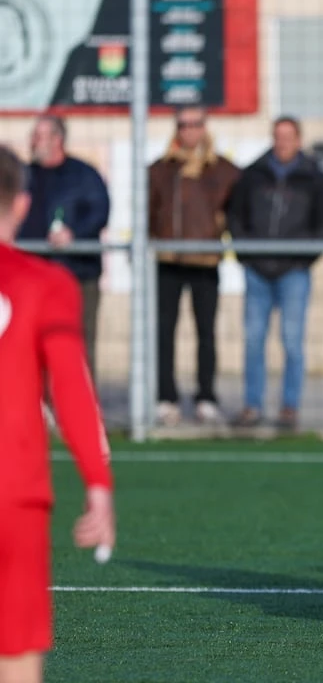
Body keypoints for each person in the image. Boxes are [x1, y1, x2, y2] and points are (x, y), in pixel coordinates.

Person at [0, 143, 116, 683]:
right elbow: (70, 389)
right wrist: (97, 483)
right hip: (14, 491)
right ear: (23, 204)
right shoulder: (47, 284)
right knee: (17, 655)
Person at [226, 116, 323, 432]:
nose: (283, 142)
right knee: (253, 340)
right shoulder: (252, 174)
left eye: (288, 137)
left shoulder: (314, 177)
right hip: (257, 271)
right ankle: (252, 405)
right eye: (278, 136)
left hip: (294, 273)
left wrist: (302, 260)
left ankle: (289, 407)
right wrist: (247, 254)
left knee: (292, 341)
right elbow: (235, 218)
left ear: (298, 140)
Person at [148, 105, 240, 426]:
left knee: (206, 332)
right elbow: (149, 215)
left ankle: (206, 396)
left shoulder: (224, 170)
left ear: (205, 127)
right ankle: (165, 396)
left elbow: (235, 215)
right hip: (168, 261)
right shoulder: (160, 170)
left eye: (195, 124)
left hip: (205, 261)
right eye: (183, 125)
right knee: (164, 331)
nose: (189, 130)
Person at [16, 114, 111, 379]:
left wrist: (74, 234)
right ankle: (39, 408)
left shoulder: (83, 175)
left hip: (77, 274)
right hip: (34, 276)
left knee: (77, 343)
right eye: (33, 135)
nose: (33, 141)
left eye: (39, 135)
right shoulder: (25, 176)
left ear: (57, 139)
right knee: (32, 343)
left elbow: (100, 212)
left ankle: (82, 407)